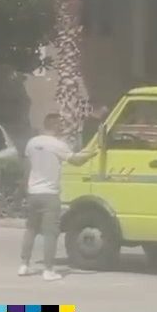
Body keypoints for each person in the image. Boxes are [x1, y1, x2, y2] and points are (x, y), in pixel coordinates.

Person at [19, 113, 98, 281]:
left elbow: (27, 167)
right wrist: (92, 153)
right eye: (60, 125)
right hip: (50, 193)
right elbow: (76, 161)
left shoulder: (32, 143)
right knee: (50, 233)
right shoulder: (58, 145)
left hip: (33, 192)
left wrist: (26, 188)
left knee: (31, 229)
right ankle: (48, 270)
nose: (62, 128)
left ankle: (24, 265)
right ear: (55, 126)